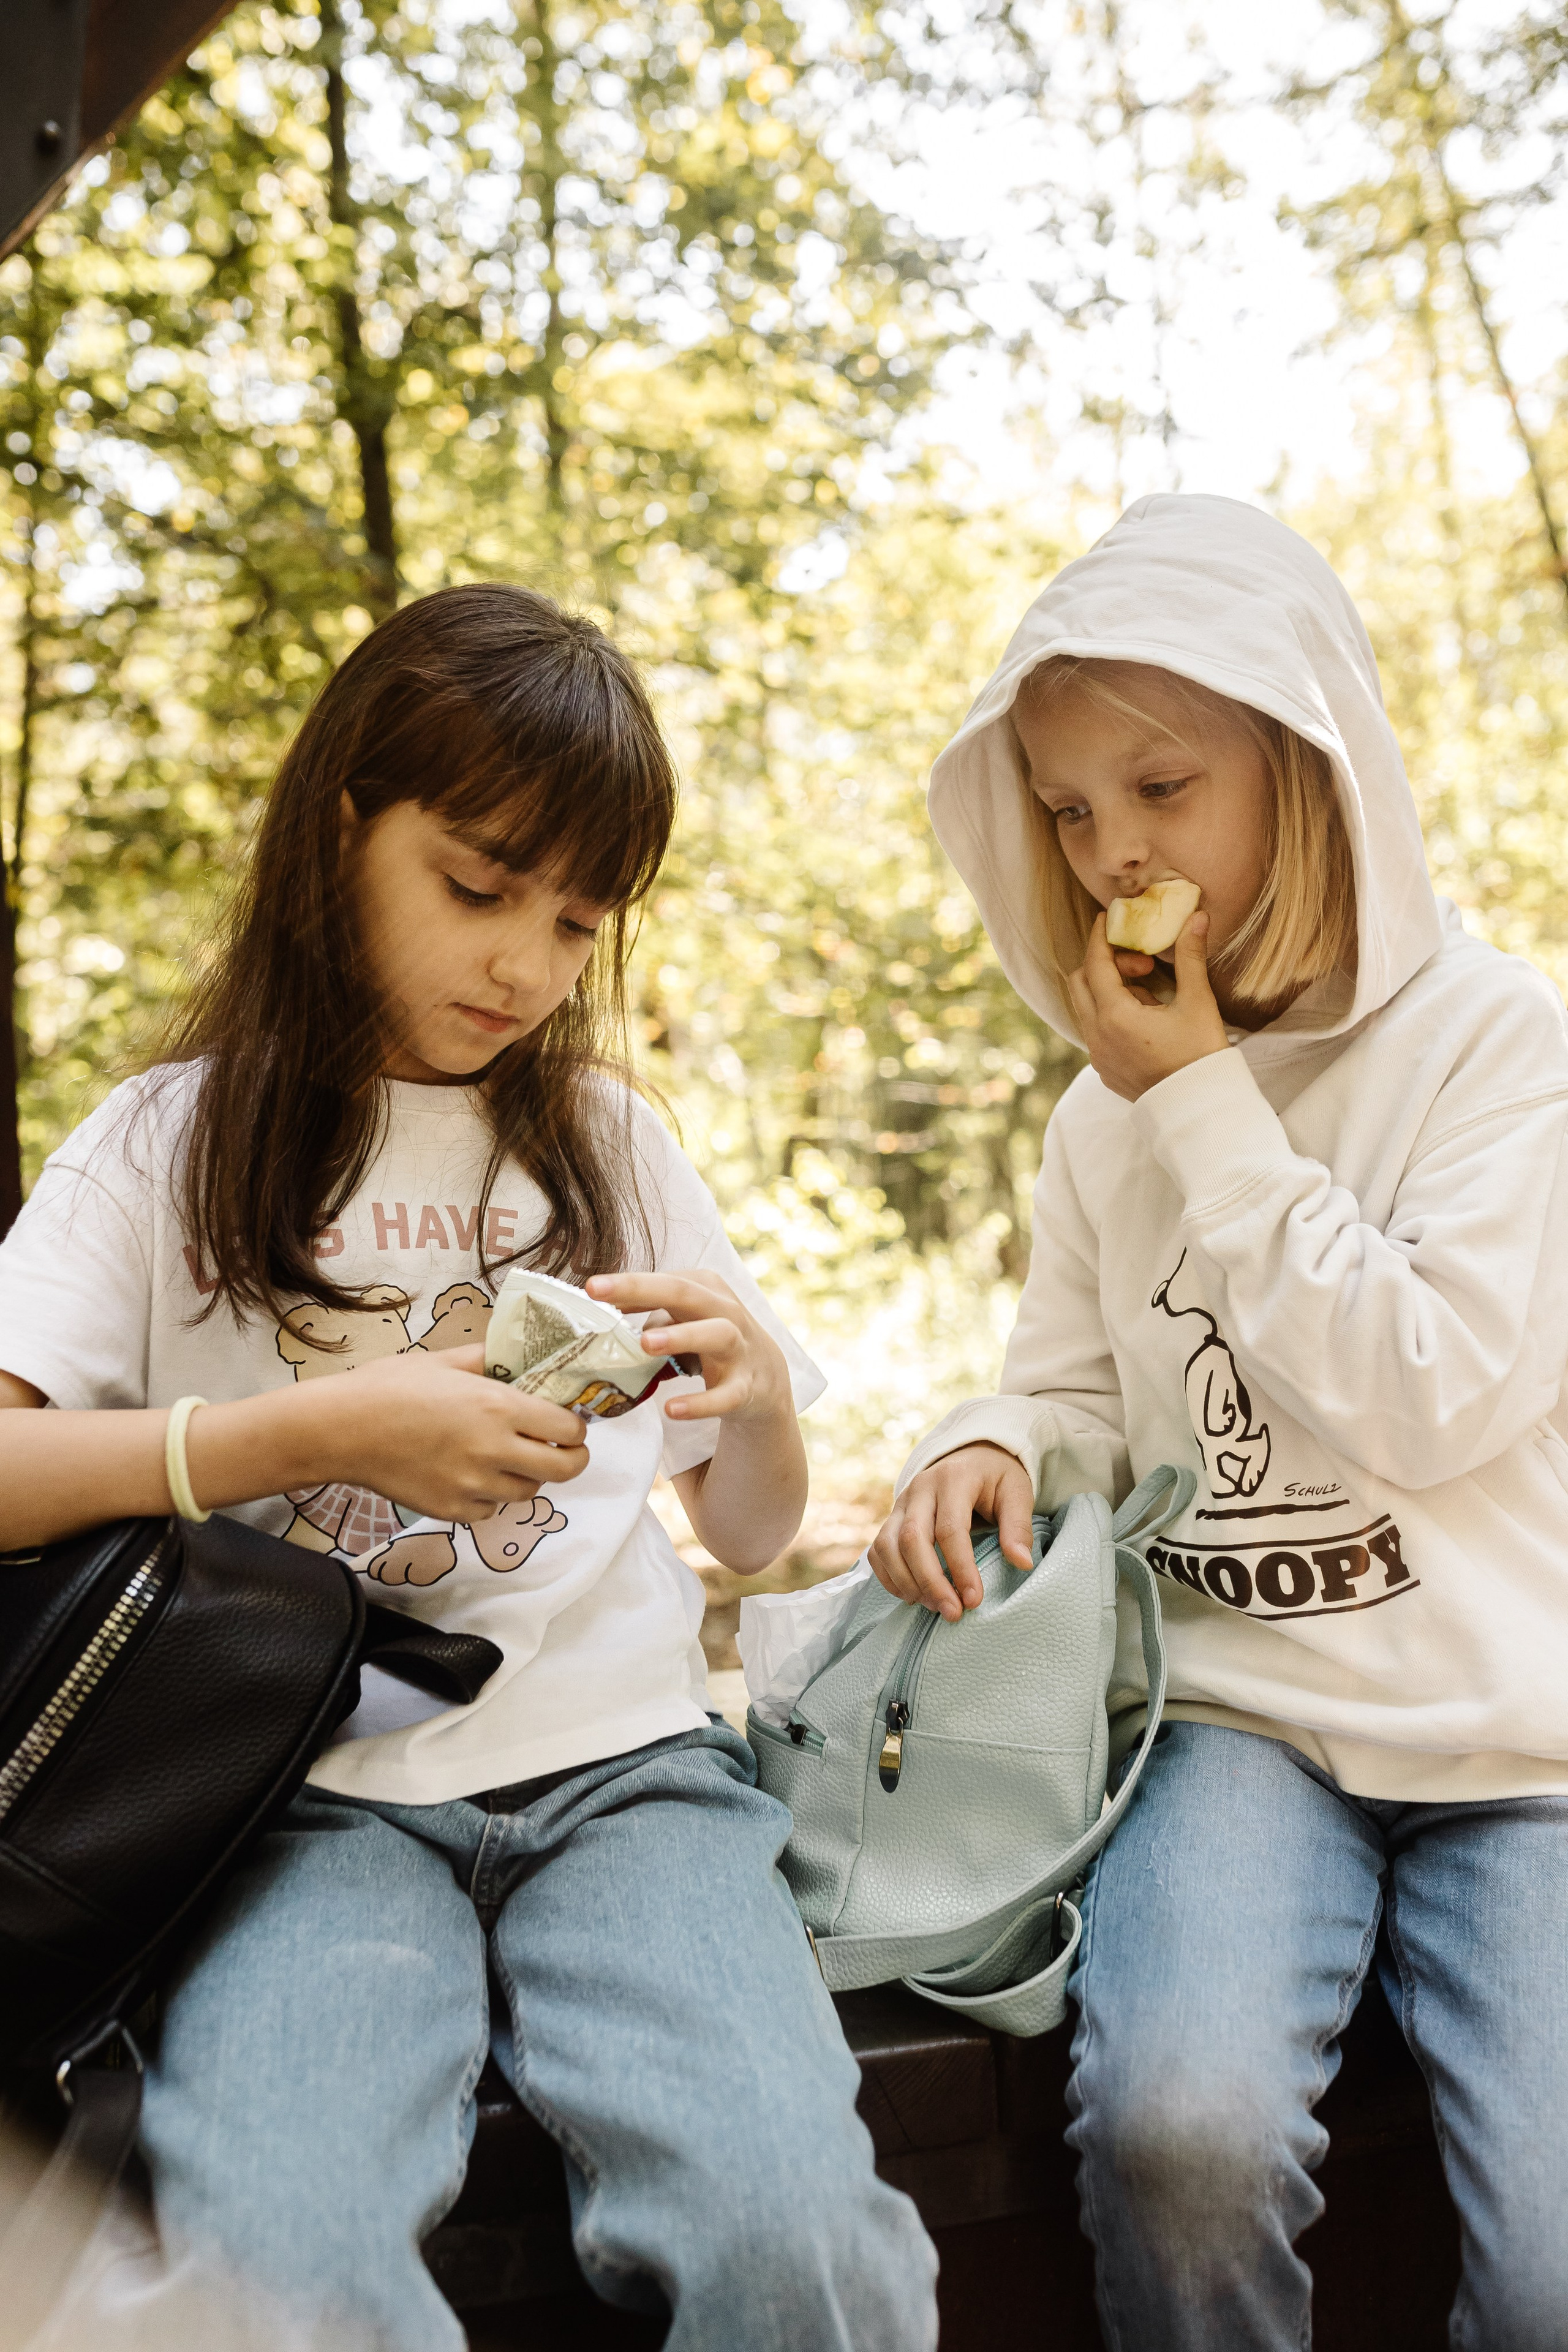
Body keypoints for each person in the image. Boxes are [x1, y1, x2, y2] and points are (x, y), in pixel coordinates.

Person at [0, 585, 937, 2352]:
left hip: (633, 1783)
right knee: (279, 2260)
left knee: (802, 2237)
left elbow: (742, 1529)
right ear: (343, 822)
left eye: (580, 922)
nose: (525, 964)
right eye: (480, 884)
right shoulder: (165, 1144)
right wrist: (314, 1432)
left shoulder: (609, 1142)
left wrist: (759, 1408)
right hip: (307, 1810)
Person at [869, 494, 1568, 2351]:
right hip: (1239, 1723)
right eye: (1072, 810)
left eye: (1162, 790)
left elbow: (1437, 1393)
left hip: (1523, 1744)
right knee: (1179, 2134)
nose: (1113, 856)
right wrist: (987, 1442)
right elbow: (1080, 1395)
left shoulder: (1503, 1047)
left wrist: (1205, 1107)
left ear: (1307, 769)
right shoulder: (1106, 1113)